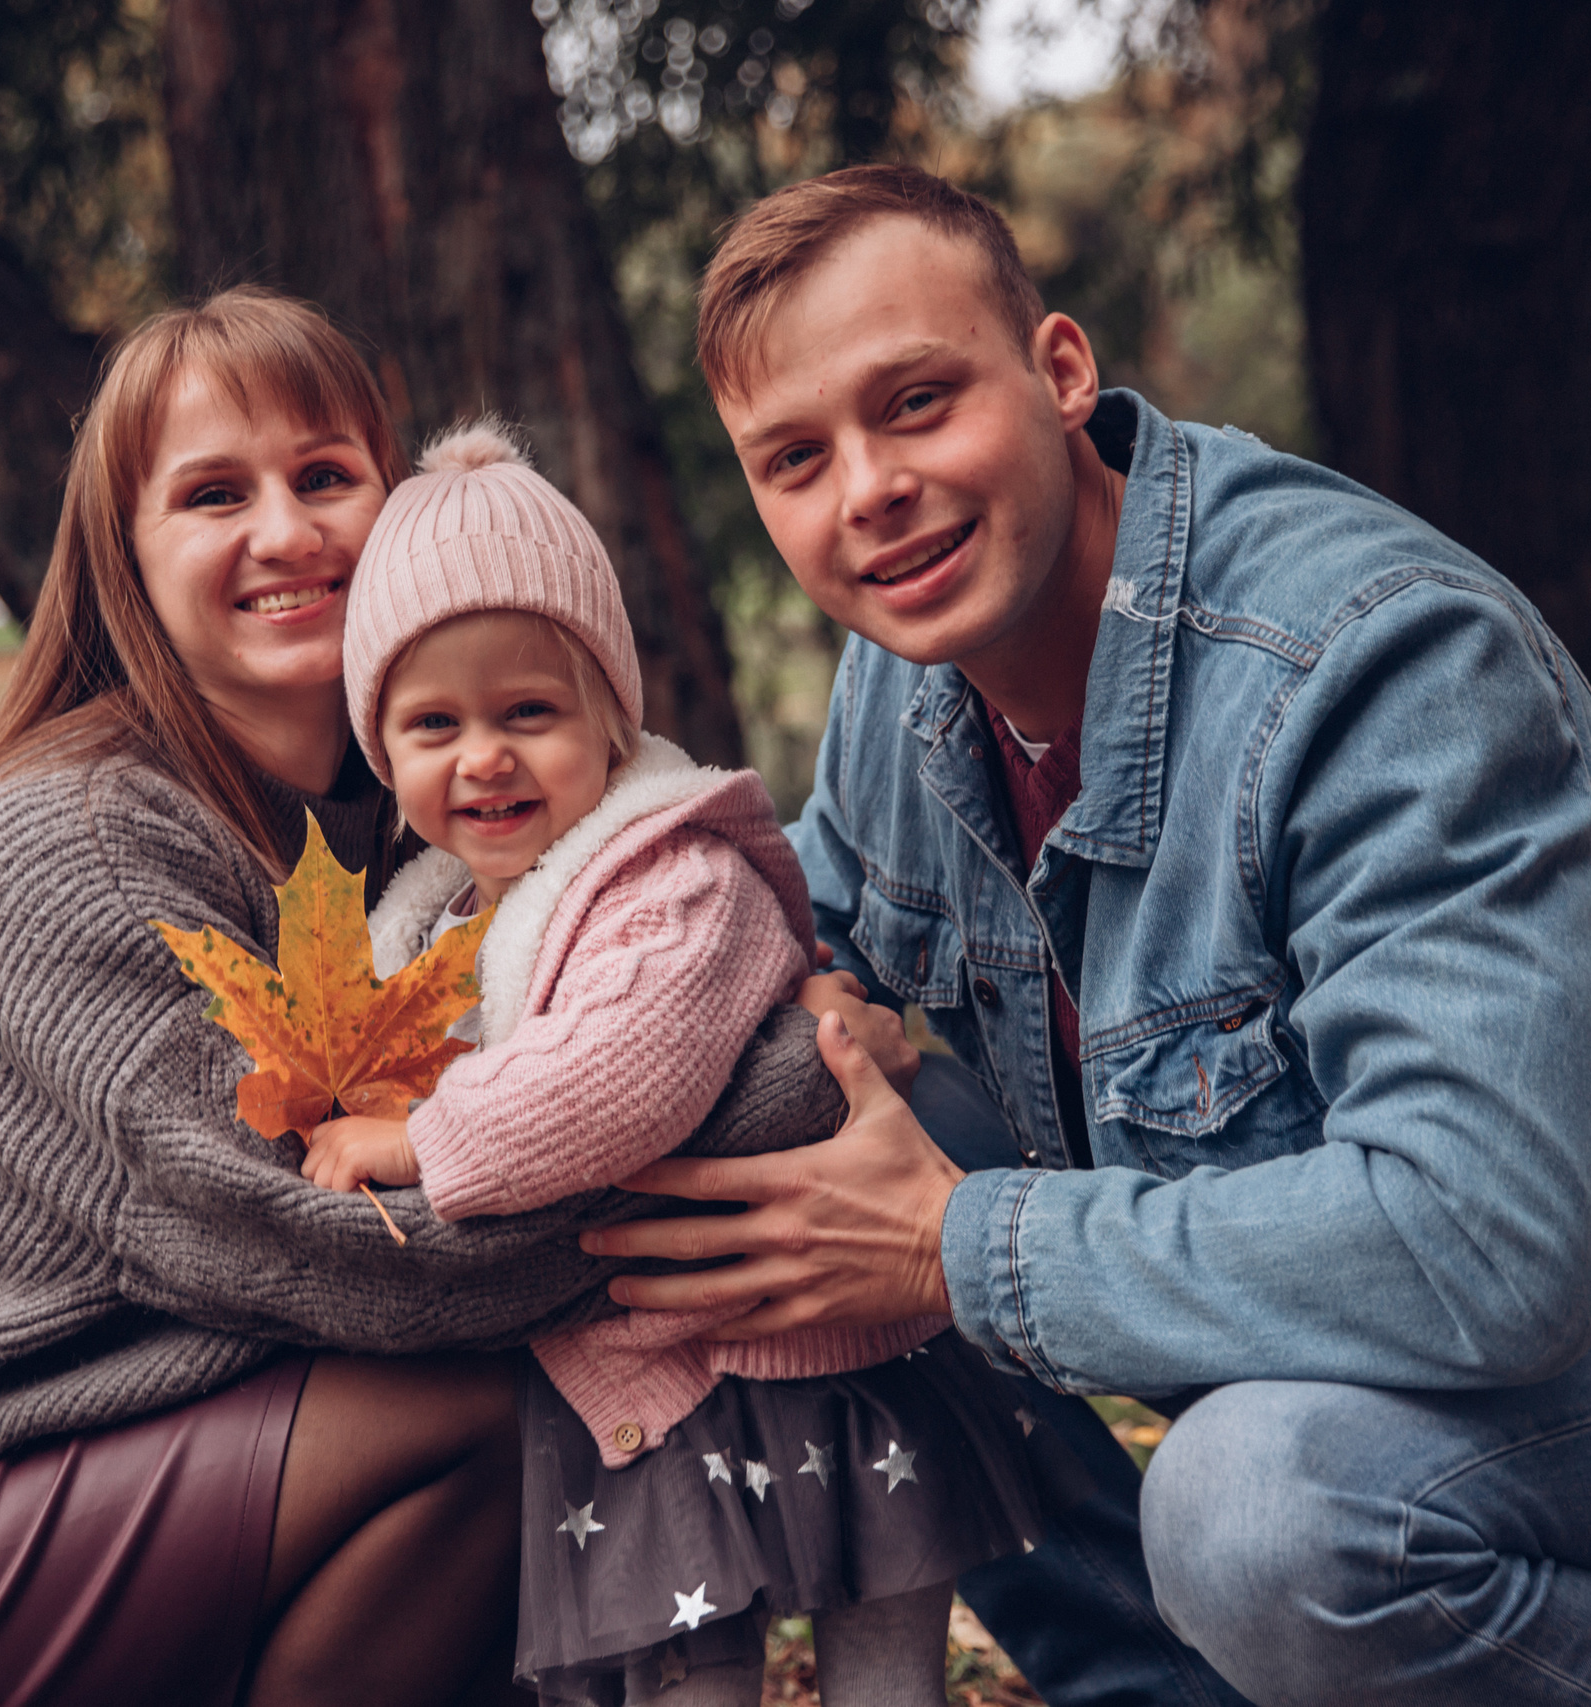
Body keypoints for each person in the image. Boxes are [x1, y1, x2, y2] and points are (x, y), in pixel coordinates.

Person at [581, 165, 1591, 1707]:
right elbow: (780, 943)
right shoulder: (906, 677)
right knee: (799, 1125)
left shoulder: (1373, 662)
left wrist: (946, 1244)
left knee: (1259, 1509)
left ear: (1062, 372)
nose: (866, 488)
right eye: (795, 457)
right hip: (1341, 1339)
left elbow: (1493, 1245)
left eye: (916, 401)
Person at [0, 287, 846, 1707]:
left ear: (401, 507)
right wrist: (782, 1089)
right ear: (127, 555)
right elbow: (348, 1257)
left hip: (157, 1452)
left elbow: (599, 1023)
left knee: (509, 1421)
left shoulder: (415, 823)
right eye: (211, 494)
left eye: (326, 476)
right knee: (497, 1403)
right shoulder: (76, 838)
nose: (287, 531)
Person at [298, 420, 1048, 1707]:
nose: (482, 756)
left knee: (883, 1673)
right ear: (383, 750)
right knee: (685, 1682)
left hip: (817, 1355)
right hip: (653, 1386)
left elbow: (614, 1081)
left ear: (607, 713)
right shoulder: (433, 923)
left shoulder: (674, 880)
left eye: (528, 711)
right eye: (433, 724)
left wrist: (425, 1143)